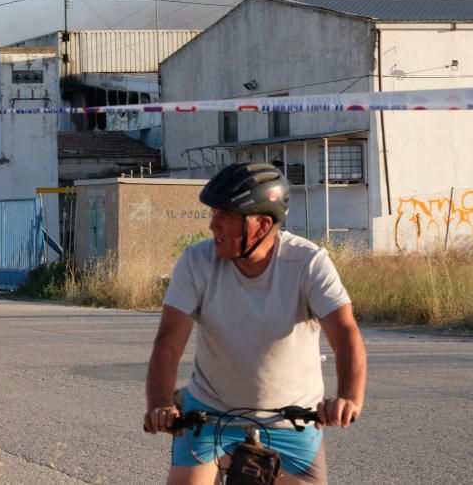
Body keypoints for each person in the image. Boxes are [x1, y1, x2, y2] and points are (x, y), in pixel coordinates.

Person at [145, 162, 367, 485]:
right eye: (213, 214)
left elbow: (346, 335)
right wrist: (161, 406)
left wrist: (348, 398)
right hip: (210, 412)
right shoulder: (196, 262)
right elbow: (168, 342)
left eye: (225, 216)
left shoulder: (308, 263)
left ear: (262, 225)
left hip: (292, 420)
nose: (212, 226)